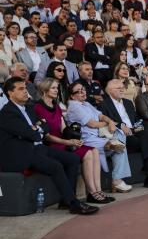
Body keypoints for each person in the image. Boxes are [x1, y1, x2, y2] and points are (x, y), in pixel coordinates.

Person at [0, 77, 98, 214]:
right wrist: (36, 129)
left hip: (37, 148)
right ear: (10, 93)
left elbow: (44, 126)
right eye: (20, 89)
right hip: (21, 154)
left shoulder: (29, 107)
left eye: (25, 88)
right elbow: (32, 134)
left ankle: (66, 200)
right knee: (55, 166)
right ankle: (73, 203)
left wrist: (36, 128)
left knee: (73, 159)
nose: (25, 91)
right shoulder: (7, 112)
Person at [34, 78, 111, 204]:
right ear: (44, 89)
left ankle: (97, 190)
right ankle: (91, 192)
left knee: (93, 151)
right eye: (53, 88)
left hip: (63, 141)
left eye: (56, 88)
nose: (56, 90)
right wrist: (68, 142)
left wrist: (73, 139)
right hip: (52, 144)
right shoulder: (38, 107)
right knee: (87, 153)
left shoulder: (56, 106)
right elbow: (46, 136)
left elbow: (63, 127)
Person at [66, 81, 132, 193]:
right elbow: (92, 124)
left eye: (83, 89)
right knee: (119, 145)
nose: (83, 92)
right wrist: (110, 124)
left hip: (98, 136)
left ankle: (116, 179)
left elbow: (101, 115)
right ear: (72, 96)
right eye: (79, 91)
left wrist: (110, 121)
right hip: (87, 140)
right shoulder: (74, 106)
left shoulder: (86, 104)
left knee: (120, 140)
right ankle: (116, 179)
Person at [100, 80, 148, 189]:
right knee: (146, 140)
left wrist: (138, 126)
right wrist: (121, 125)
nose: (122, 89)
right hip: (120, 134)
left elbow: (136, 120)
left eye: (122, 87)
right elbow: (106, 121)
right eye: (118, 88)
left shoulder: (128, 102)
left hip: (134, 131)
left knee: (147, 132)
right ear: (110, 91)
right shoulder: (104, 104)